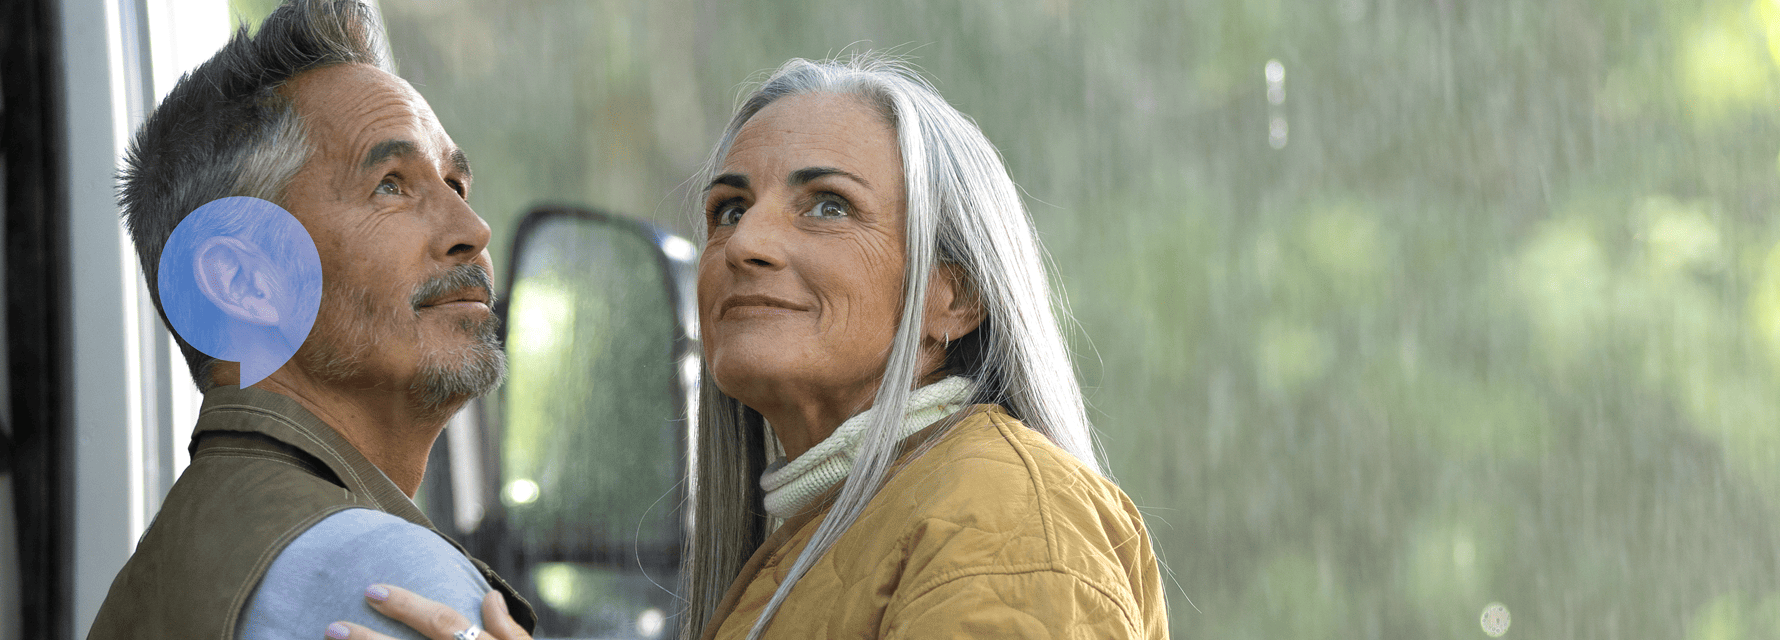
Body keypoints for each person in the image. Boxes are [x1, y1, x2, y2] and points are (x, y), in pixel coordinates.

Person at [341, 54, 1167, 640]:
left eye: (828, 207)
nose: (745, 245)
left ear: (955, 296)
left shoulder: (1007, 521)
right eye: (729, 210)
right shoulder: (818, 540)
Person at [88, 1, 535, 639]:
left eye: (455, 185)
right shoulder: (393, 581)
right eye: (391, 184)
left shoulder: (158, 572)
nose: (473, 230)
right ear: (243, 281)